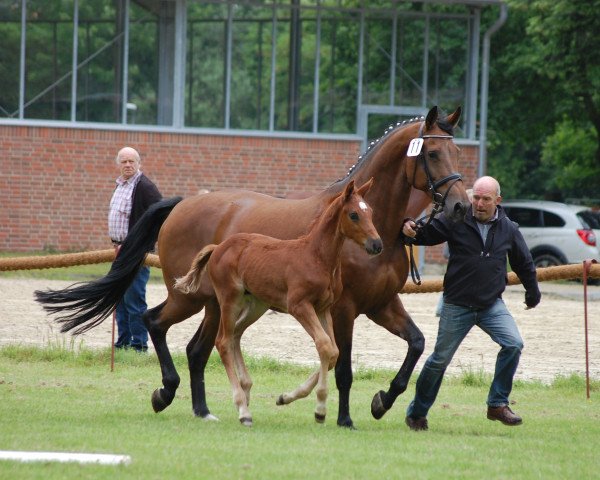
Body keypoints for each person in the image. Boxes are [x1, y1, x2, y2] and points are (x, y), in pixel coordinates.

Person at [402, 176, 541, 430]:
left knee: (513, 344)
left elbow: (524, 263)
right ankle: (417, 413)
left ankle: (497, 404)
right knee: (439, 361)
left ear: (497, 201)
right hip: (457, 305)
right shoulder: (456, 219)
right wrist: (410, 229)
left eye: (485, 199)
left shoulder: (509, 228)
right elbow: (426, 233)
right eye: (475, 197)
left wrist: (533, 292)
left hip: (491, 306)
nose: (478, 203)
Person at [108, 147, 162, 352]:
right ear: (118, 164)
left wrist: (140, 244)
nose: (128, 165)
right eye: (124, 162)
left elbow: (161, 217)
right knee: (119, 299)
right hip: (118, 251)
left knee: (134, 300)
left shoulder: (145, 187)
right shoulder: (120, 185)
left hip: (136, 253)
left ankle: (139, 345)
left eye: (132, 161)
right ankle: (123, 343)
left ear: (139, 164)